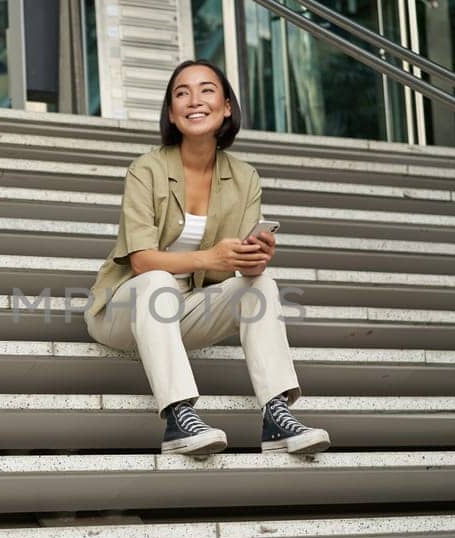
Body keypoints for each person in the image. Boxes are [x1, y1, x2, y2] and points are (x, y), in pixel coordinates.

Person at [84, 59, 330, 456]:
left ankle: (276, 416)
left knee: (261, 285)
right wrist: (211, 257)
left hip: (183, 313)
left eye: (207, 90)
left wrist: (256, 257)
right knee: (158, 281)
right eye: (182, 93)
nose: (194, 100)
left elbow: (238, 264)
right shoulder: (145, 170)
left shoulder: (245, 176)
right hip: (123, 312)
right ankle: (179, 417)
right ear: (171, 113)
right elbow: (143, 261)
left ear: (227, 106)